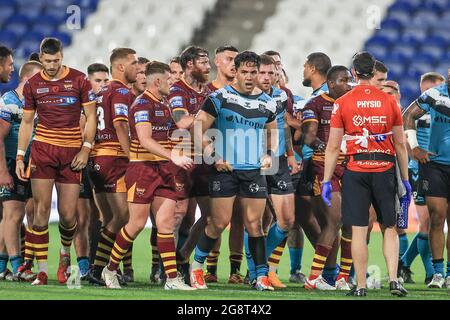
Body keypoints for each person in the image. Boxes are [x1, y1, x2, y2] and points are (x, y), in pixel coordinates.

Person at [101, 61, 194, 290]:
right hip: (142, 169)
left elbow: (171, 138)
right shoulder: (142, 104)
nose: (173, 82)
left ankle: (172, 279)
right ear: (158, 81)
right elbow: (145, 140)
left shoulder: (165, 105)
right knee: (136, 224)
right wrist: (173, 156)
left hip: (165, 171)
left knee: (165, 224)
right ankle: (110, 269)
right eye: (170, 78)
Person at [189, 51, 277, 291]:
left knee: (255, 225)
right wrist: (213, 156)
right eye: (245, 72)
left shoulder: (268, 101)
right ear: (236, 72)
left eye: (254, 72)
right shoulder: (219, 97)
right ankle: (196, 267)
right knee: (218, 223)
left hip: (252, 171)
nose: (249, 77)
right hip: (225, 170)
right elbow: (197, 129)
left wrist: (269, 154)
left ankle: (261, 276)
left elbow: (272, 132)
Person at [324, 51, 409, 297]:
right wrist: (404, 179)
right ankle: (394, 280)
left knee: (359, 231)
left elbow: (332, 146)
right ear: (373, 72)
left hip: (355, 170)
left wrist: (327, 180)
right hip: (384, 169)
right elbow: (400, 144)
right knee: (390, 227)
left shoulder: (342, 102)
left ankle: (360, 286)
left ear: (353, 73)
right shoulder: (389, 101)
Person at [16, 38, 97, 285]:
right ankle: (42, 270)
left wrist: (86, 149)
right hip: (43, 151)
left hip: (71, 152)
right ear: (40, 58)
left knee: (68, 214)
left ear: (62, 56)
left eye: (56, 60)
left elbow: (91, 116)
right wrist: (21, 155)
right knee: (40, 212)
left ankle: (64, 255)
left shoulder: (79, 79)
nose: (51, 65)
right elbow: (28, 122)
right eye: (47, 61)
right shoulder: (33, 84)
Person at [243, 54, 298, 289]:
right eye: (262, 73)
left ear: (277, 74)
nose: (266, 77)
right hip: (252, 161)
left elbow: (283, 126)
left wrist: (291, 154)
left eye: (271, 73)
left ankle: (259, 263)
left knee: (286, 220)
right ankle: (257, 272)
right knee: (256, 220)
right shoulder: (243, 96)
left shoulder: (281, 95)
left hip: (276, 161)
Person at [87, 48, 138, 285]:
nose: (137, 68)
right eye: (134, 63)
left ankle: (100, 269)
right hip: (113, 158)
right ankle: (100, 269)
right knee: (123, 216)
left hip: (97, 159)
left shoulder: (100, 92)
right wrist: (133, 157)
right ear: (120, 67)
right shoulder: (120, 91)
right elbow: (120, 126)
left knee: (108, 217)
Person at [302, 65, 353, 290]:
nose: (349, 83)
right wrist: (329, 146)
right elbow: (308, 137)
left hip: (352, 167)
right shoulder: (314, 104)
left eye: (350, 80)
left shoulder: (352, 104)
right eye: (344, 80)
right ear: (331, 83)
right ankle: (313, 278)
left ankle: (342, 278)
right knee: (336, 219)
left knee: (352, 224)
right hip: (325, 166)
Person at [167, 46, 212, 284]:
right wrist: (206, 119)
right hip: (181, 158)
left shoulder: (210, 91)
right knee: (177, 215)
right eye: (204, 62)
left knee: (210, 216)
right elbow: (181, 121)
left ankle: (182, 257)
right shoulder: (176, 90)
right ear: (191, 65)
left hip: (205, 160)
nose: (208, 67)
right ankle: (165, 269)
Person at [402, 68, 450, 289]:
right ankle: (438, 273)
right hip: (434, 165)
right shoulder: (435, 94)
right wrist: (415, 148)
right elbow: (408, 115)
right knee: (436, 218)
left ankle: (448, 273)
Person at [202, 45, 244, 284]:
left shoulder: (246, 93)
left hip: (241, 162)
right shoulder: (208, 93)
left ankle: (235, 269)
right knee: (215, 219)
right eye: (229, 59)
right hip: (211, 164)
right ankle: (210, 267)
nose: (233, 64)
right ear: (217, 62)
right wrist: (213, 155)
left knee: (239, 217)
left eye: (236, 60)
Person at [0, 61, 42, 281]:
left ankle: (1, 266)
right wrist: (3, 172)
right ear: (27, 80)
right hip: (10, 163)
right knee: (14, 215)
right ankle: (18, 267)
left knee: (12, 216)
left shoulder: (35, 104)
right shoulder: (8, 102)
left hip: (29, 164)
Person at [84, 63, 110, 267]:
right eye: (98, 80)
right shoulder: (83, 104)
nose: (102, 84)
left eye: (105, 80)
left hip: (102, 161)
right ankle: (92, 264)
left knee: (104, 215)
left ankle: (98, 265)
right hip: (86, 162)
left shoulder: (108, 100)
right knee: (90, 216)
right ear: (88, 81)